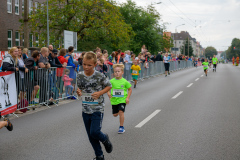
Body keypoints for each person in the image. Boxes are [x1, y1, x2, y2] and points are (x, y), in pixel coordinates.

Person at [76, 52, 113, 160]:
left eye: (89, 65)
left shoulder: (99, 75)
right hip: (85, 108)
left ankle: (105, 138)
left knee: (95, 132)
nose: (86, 67)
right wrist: (79, 92)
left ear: (95, 64)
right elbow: (80, 89)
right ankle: (99, 156)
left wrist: (100, 93)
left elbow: (109, 86)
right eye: (84, 64)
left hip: (97, 108)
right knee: (91, 136)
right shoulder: (80, 75)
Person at [107, 64, 132, 134]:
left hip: (122, 100)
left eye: (118, 71)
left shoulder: (125, 81)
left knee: (121, 112)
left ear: (122, 72)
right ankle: (117, 111)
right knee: (115, 114)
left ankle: (121, 127)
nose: (117, 73)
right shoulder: (111, 81)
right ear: (113, 73)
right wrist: (108, 93)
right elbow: (107, 88)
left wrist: (127, 98)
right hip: (114, 100)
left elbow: (130, 90)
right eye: (115, 72)